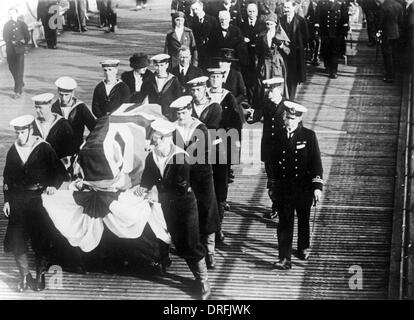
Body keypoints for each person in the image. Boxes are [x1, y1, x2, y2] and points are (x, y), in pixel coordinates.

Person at [136, 119, 211, 300]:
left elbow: (180, 189)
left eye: (159, 140)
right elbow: (148, 178)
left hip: (185, 206)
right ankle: (165, 263)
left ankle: (203, 281)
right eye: (154, 139)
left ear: (168, 139)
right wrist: (143, 188)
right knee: (174, 239)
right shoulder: (152, 156)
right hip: (167, 207)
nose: (155, 143)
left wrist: (157, 197)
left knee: (191, 243)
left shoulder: (180, 158)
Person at [3, 115, 67, 292]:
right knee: (17, 241)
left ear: (31, 130)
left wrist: (53, 186)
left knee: (41, 239)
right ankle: (24, 275)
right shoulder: (13, 150)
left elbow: (60, 172)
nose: (20, 136)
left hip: (38, 200)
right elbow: (7, 177)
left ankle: (40, 274)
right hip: (17, 200)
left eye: (23, 132)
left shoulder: (44, 148)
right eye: (17, 132)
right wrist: (6, 200)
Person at [270, 101, 323, 270]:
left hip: (303, 188)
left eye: (293, 118)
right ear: (284, 117)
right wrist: (272, 185)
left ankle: (303, 247)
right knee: (285, 222)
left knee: (303, 219)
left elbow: (316, 163)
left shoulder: (309, 136)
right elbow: (272, 164)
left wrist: (317, 187)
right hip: (284, 188)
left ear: (299, 119)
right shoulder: (277, 136)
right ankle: (284, 258)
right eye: (288, 118)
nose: (290, 121)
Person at [171, 95, 220, 269]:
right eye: (178, 114)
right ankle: (194, 249)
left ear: (190, 111)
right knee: (189, 214)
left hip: (202, 177)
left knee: (207, 212)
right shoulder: (173, 129)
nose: (181, 117)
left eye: (183, 113)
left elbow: (199, 155)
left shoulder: (201, 128)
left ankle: (211, 252)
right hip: (184, 179)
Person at [186, 76, 226, 243]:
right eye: (193, 90)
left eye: (199, 90)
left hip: (214, 155)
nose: (196, 93)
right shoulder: (188, 108)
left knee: (216, 193)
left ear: (205, 89)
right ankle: (199, 231)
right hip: (194, 157)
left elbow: (211, 129)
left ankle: (217, 230)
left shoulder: (214, 107)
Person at [250, 77, 286, 219]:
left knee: (283, 180)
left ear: (279, 91)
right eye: (268, 91)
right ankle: (276, 206)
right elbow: (254, 118)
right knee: (272, 181)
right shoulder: (266, 104)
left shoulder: (288, 106)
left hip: (284, 150)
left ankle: (283, 208)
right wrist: (248, 114)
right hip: (269, 150)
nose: (268, 94)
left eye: (271, 91)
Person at [52, 77, 96, 154]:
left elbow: (94, 128)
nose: (64, 98)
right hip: (58, 150)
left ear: (73, 93)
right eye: (61, 95)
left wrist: (85, 144)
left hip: (76, 150)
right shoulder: (54, 107)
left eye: (67, 95)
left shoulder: (81, 107)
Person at [31, 93, 75, 169]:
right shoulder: (32, 125)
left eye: (40, 107)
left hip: (58, 167)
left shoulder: (63, 124)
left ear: (49, 106)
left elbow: (70, 150)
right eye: (36, 107)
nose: (37, 110)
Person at [256, 12, 290, 98]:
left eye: (271, 24)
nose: (269, 26)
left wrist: (281, 45)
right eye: (267, 24)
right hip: (266, 63)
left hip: (277, 63)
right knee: (266, 84)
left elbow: (288, 51)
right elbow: (258, 51)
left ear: (275, 24)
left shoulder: (280, 35)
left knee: (278, 85)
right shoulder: (262, 35)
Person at [139, 54, 183, 120]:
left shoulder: (174, 81)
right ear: (154, 66)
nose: (159, 68)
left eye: (162, 65)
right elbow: (142, 98)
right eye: (157, 65)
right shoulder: (148, 80)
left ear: (167, 65)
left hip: (169, 116)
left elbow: (178, 100)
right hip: (153, 115)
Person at [240, 3, 267, 108]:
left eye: (253, 11)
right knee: (247, 80)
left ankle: (257, 103)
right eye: (249, 12)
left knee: (257, 80)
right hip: (246, 57)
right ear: (247, 13)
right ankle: (250, 103)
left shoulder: (262, 25)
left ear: (257, 12)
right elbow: (240, 38)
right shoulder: (242, 25)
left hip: (257, 56)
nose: (251, 14)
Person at [280, 0, 309, 100]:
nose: (286, 10)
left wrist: (299, 47)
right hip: (283, 53)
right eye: (285, 7)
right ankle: (284, 99)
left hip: (295, 55)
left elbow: (306, 37)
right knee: (284, 75)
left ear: (294, 8)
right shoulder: (281, 20)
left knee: (293, 78)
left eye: (288, 8)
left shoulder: (300, 20)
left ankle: (291, 101)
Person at [314, 0, 349, 79]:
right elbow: (317, 15)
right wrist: (317, 27)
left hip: (337, 32)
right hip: (325, 31)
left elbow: (345, 17)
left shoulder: (341, 3)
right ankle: (327, 66)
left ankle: (334, 71)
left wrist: (345, 29)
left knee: (335, 52)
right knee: (326, 50)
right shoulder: (322, 2)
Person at [2, 7, 30, 99]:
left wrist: (22, 43)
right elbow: (5, 36)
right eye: (10, 13)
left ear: (17, 13)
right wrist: (10, 42)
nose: (12, 15)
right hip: (10, 50)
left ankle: (17, 91)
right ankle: (20, 82)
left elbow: (27, 37)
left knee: (19, 70)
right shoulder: (7, 25)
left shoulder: (22, 24)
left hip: (19, 50)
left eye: (13, 13)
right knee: (11, 68)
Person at [375, 0, 404, 83]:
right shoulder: (399, 5)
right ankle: (395, 72)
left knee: (387, 55)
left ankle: (389, 75)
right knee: (395, 53)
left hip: (386, 34)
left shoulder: (383, 6)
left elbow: (380, 22)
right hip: (396, 33)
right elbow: (401, 21)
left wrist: (378, 31)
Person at [188, 0, 219, 69]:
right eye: (193, 10)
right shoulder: (192, 21)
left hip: (210, 52)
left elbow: (217, 36)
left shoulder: (212, 20)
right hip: (198, 52)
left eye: (196, 9)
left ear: (202, 7)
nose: (195, 11)